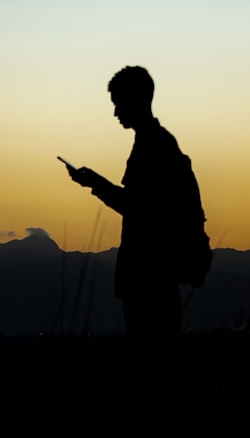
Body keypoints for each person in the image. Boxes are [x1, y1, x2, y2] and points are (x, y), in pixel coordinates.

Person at [64, 65, 206, 343]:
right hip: (155, 275)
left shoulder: (154, 146)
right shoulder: (157, 143)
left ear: (138, 100)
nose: (116, 113)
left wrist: (95, 183)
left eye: (119, 104)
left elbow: (140, 209)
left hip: (150, 276)